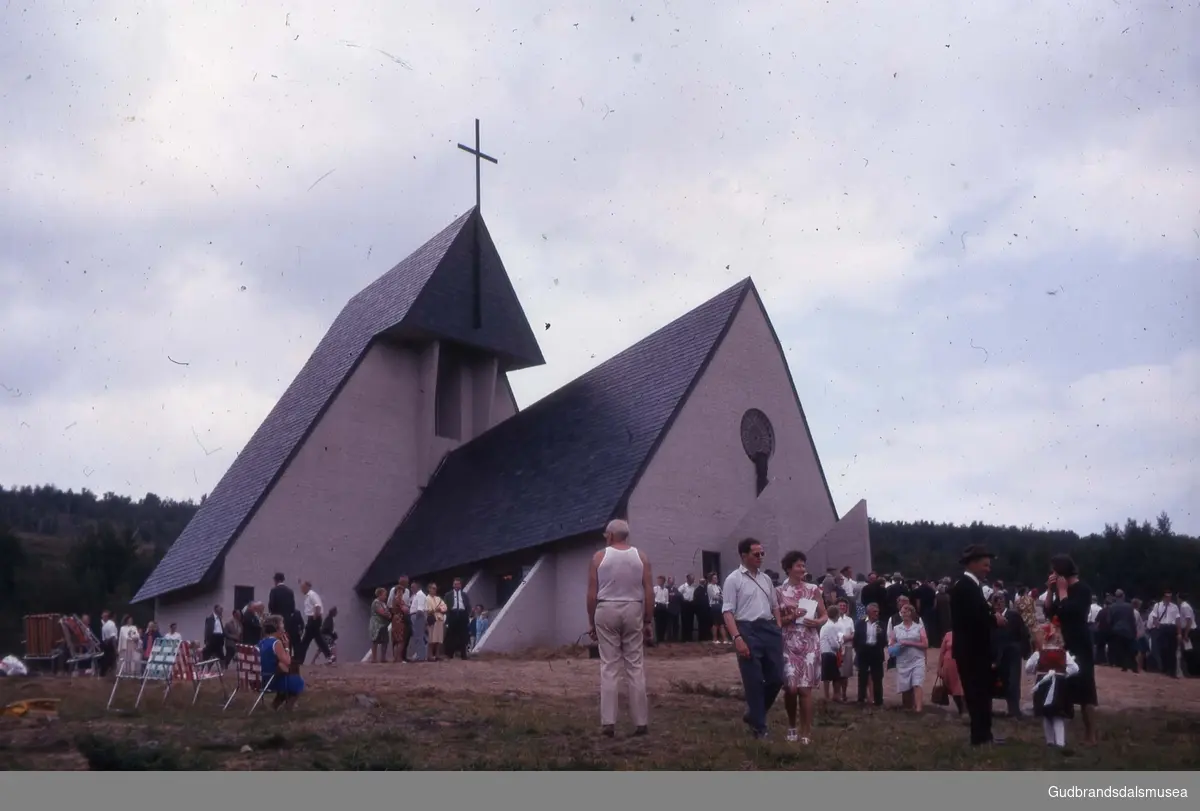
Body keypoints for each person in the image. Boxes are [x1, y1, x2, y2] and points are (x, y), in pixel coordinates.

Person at [586, 519, 652, 737]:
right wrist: (648, 620)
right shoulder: (641, 557)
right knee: (635, 665)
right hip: (633, 607)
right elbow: (649, 591)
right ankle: (641, 722)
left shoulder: (598, 557)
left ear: (611, 536)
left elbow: (591, 594)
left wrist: (591, 621)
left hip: (606, 608)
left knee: (609, 666)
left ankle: (608, 723)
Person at [722, 538, 785, 741]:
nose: (760, 557)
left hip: (768, 628)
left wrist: (778, 625)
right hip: (746, 628)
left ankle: (753, 714)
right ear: (744, 556)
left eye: (762, 554)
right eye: (756, 554)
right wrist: (737, 638)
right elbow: (728, 612)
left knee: (777, 678)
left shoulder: (766, 579)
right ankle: (760, 727)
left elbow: (775, 605)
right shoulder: (734, 579)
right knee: (754, 680)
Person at [950, 544, 1007, 746]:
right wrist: (994, 620)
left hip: (974, 650)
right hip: (972, 651)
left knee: (981, 693)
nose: (988, 569)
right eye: (985, 565)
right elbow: (974, 619)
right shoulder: (965, 587)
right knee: (977, 694)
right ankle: (980, 737)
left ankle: (984, 735)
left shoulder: (970, 587)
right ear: (972, 564)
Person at [1044, 554, 1098, 745]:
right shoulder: (1060, 590)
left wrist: (1063, 591)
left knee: (1085, 689)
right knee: (1061, 686)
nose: (1051, 575)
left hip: (1080, 642)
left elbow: (1072, 612)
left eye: (1054, 572)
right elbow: (1049, 612)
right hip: (1063, 642)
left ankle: (1091, 734)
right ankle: (1060, 734)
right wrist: (1051, 590)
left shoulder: (1083, 589)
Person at [775, 549, 825, 743]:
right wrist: (792, 617)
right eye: (798, 565)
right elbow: (777, 621)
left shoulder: (813, 589)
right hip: (788, 642)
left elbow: (824, 614)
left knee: (805, 690)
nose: (802, 569)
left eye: (804, 565)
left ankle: (806, 731)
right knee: (791, 688)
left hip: (809, 642)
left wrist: (818, 622)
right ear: (788, 568)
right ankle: (791, 725)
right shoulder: (779, 592)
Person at [1025, 619, 1079, 749]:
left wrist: (1037, 670)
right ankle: (1060, 742)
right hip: (1060, 685)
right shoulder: (1064, 654)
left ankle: (1050, 741)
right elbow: (1075, 668)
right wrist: (1063, 672)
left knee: (1047, 713)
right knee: (1058, 714)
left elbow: (1028, 668)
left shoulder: (1039, 654)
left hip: (1044, 684)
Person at [890, 604, 928, 712]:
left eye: (907, 611)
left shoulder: (919, 627)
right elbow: (891, 647)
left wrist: (909, 643)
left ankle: (919, 709)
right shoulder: (896, 628)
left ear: (912, 613)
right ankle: (908, 707)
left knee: (917, 683)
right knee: (905, 686)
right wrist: (896, 647)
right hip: (903, 661)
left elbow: (925, 644)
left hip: (917, 659)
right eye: (902, 612)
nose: (904, 613)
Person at [259, 620, 305, 710]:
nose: (284, 631)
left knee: (287, 678)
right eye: (282, 629)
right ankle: (289, 706)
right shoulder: (276, 643)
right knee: (298, 682)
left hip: (260, 680)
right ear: (277, 631)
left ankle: (275, 705)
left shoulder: (261, 642)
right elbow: (288, 661)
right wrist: (287, 647)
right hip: (270, 681)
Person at [854, 602, 886, 706]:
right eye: (874, 611)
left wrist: (880, 634)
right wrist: (859, 650)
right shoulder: (860, 623)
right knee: (862, 676)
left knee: (877, 677)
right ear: (868, 612)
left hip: (876, 652)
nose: (876, 613)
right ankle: (861, 699)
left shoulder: (881, 624)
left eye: (877, 611)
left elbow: (885, 641)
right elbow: (856, 638)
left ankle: (878, 700)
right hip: (864, 651)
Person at [937, 629, 965, 715]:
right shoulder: (948, 635)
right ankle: (960, 709)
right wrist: (939, 668)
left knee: (962, 688)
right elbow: (942, 652)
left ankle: (966, 711)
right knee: (953, 689)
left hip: (964, 664)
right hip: (949, 665)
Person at [444, 577, 472, 660]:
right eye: (455, 584)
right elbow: (445, 606)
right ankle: (450, 654)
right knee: (451, 635)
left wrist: (468, 614)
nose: (456, 585)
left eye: (458, 584)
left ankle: (463, 654)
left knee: (463, 635)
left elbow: (468, 605)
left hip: (462, 615)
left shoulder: (464, 595)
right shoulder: (448, 595)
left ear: (461, 585)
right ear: (453, 585)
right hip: (452, 614)